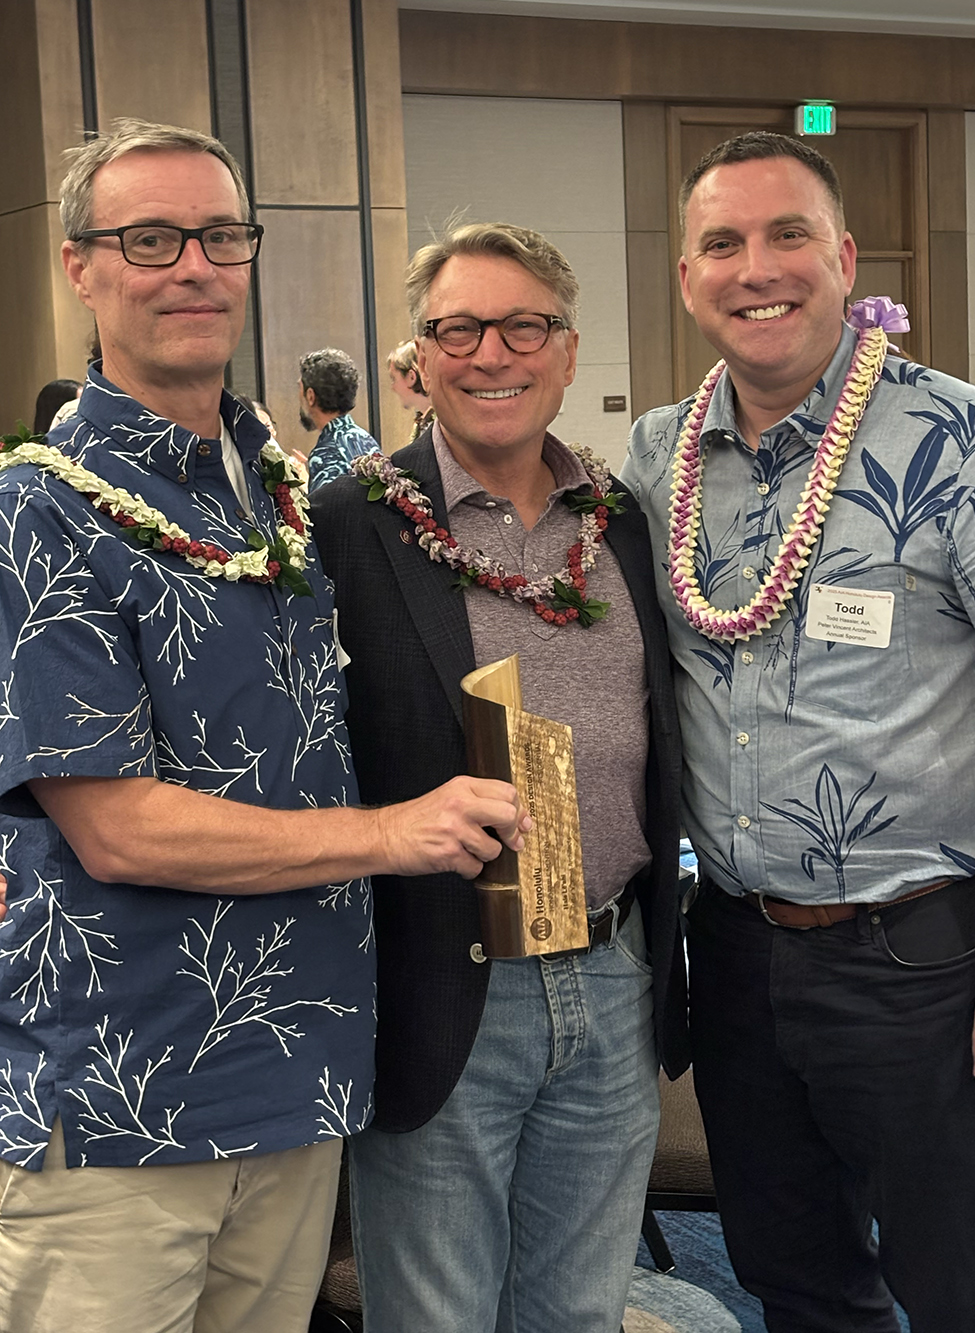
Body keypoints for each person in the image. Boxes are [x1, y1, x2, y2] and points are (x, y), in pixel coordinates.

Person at [0, 119, 526, 1333]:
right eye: (150, 238)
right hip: (129, 1096)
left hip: (302, 1072)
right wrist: (398, 835)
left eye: (220, 235)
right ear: (80, 266)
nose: (193, 264)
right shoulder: (42, 511)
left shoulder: (278, 490)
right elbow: (118, 827)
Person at [623, 130, 975, 1333]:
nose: (757, 267)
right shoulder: (652, 459)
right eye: (722, 243)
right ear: (686, 277)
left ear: (842, 259)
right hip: (733, 955)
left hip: (927, 961)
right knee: (798, 1284)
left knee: (965, 1287)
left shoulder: (962, 443)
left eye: (788, 236)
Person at [311, 221, 686, 1333]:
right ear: (416, 361)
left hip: (612, 975)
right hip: (441, 980)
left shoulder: (619, 523)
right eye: (458, 328)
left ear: (568, 353)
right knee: (436, 1314)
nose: (493, 354)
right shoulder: (348, 529)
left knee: (577, 1310)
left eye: (526, 325)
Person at [298, 346, 377, 490]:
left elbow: (326, 511)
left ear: (310, 396)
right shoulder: (364, 438)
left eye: (300, 388)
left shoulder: (325, 454)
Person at [386, 337, 435, 440]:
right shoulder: (421, 424)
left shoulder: (444, 426)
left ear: (411, 377)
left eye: (394, 378)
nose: (392, 387)